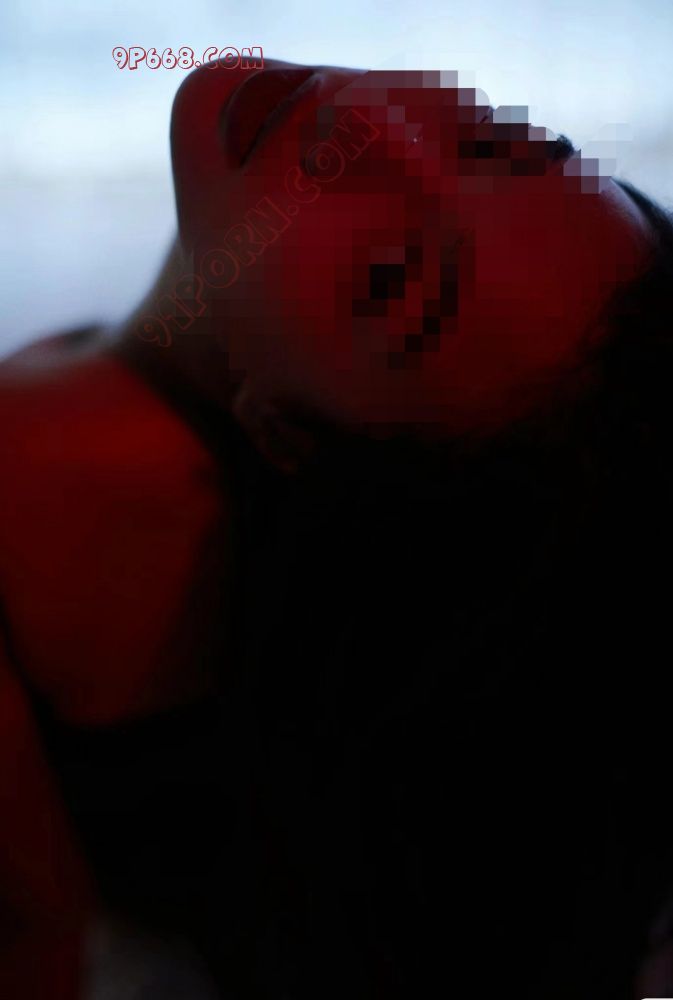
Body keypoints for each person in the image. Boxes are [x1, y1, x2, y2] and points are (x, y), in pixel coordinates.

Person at [0, 58, 672, 999]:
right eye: (501, 143)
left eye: (387, 276)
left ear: (288, 434)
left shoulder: (44, 476)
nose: (369, 129)